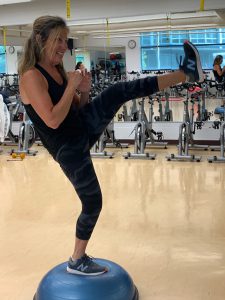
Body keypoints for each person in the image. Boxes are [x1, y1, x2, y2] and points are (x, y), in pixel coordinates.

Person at [18, 15, 204, 276]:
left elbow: (75, 110)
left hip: (79, 129)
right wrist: (72, 86)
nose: (64, 46)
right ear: (40, 40)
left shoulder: (57, 70)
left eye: (65, 40)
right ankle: (76, 260)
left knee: (117, 91)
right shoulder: (31, 77)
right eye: (58, 40)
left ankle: (186, 73)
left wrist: (83, 90)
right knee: (93, 202)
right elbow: (51, 120)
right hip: (67, 149)